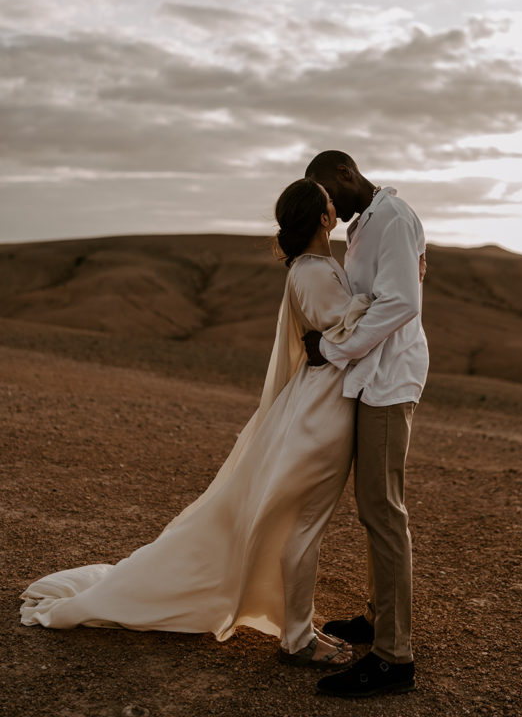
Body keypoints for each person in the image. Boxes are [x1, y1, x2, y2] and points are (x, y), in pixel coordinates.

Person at [20, 179, 375, 670]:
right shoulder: (313, 272)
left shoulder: (315, 266)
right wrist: (395, 290)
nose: (337, 206)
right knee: (304, 524)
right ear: (321, 217)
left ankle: (298, 628)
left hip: (319, 403)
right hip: (321, 413)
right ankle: (297, 639)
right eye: (330, 202)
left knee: (300, 522)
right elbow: (352, 327)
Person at [301, 151, 429, 699]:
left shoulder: (392, 218)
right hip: (371, 378)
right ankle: (379, 619)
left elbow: (400, 303)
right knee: (373, 507)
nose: (328, 207)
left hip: (389, 381)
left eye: (328, 194)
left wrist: (333, 349)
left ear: (346, 173)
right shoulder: (367, 225)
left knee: (383, 510)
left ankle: (394, 658)